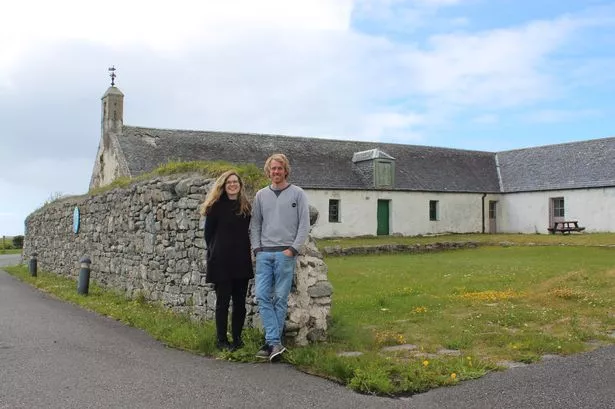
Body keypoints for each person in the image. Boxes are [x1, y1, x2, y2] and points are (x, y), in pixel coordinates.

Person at [250, 153, 310, 361]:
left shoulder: (297, 194)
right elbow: (255, 224)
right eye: (272, 169)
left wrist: (293, 249)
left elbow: (304, 224)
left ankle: (271, 343)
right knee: (263, 296)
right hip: (265, 253)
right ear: (268, 171)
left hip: (286, 253)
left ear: (285, 170)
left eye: (279, 168)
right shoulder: (260, 195)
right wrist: (257, 249)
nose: (276, 172)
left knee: (280, 298)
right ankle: (274, 342)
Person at [201, 170, 254, 351]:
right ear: (223, 185)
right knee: (223, 303)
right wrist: (215, 253)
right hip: (221, 261)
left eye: (235, 182)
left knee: (240, 303)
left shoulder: (245, 206)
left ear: (240, 185)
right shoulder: (215, 206)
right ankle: (221, 340)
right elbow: (208, 236)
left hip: (241, 260)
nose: (232, 185)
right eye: (229, 182)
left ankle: (237, 339)